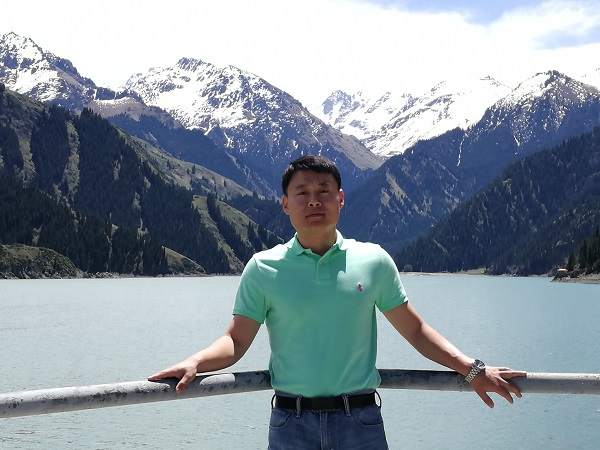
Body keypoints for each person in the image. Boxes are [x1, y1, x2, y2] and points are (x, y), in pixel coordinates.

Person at [149, 155, 526, 449]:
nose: (314, 200)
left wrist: (471, 369)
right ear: (285, 204)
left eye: (324, 191)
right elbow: (235, 340)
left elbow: (416, 331)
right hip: (291, 423)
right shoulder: (263, 268)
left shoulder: (373, 261)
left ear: (341, 199)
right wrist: (196, 362)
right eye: (302, 193)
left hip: (359, 421)